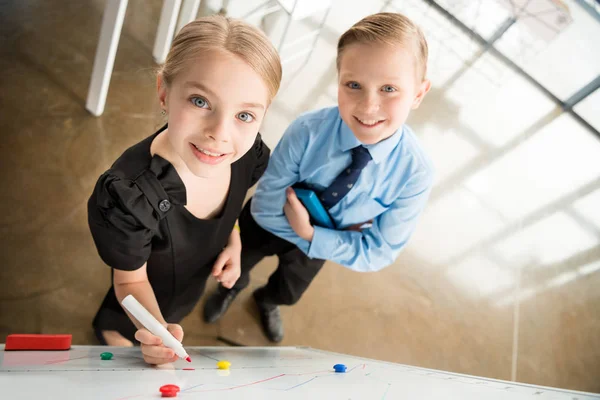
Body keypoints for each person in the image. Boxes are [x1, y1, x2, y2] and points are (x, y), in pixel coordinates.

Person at [203, 12, 434, 343]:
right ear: (337, 80)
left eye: (389, 89)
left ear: (418, 94)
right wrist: (318, 237)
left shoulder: (415, 173)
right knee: (236, 261)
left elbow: (381, 251)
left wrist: (310, 235)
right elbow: (266, 207)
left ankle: (266, 301)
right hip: (273, 225)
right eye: (353, 85)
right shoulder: (307, 131)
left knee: (289, 291)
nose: (369, 106)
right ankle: (232, 288)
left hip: (320, 242)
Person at [87, 15, 282, 364]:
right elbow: (130, 284)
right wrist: (157, 332)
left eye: (245, 115)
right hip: (141, 287)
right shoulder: (129, 197)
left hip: (192, 276)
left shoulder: (242, 154)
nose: (220, 133)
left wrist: (233, 241)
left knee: (179, 302)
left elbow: (234, 206)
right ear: (164, 91)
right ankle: (109, 330)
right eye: (200, 101)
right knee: (122, 323)